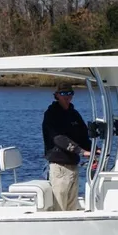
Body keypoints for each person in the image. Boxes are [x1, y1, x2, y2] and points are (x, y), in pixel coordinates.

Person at [42, 82, 92, 211]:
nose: (67, 96)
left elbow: (83, 134)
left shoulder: (73, 113)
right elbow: (58, 138)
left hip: (73, 166)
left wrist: (93, 149)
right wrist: (80, 151)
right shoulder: (51, 114)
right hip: (59, 167)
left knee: (71, 206)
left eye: (69, 93)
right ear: (57, 95)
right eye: (63, 93)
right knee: (59, 206)